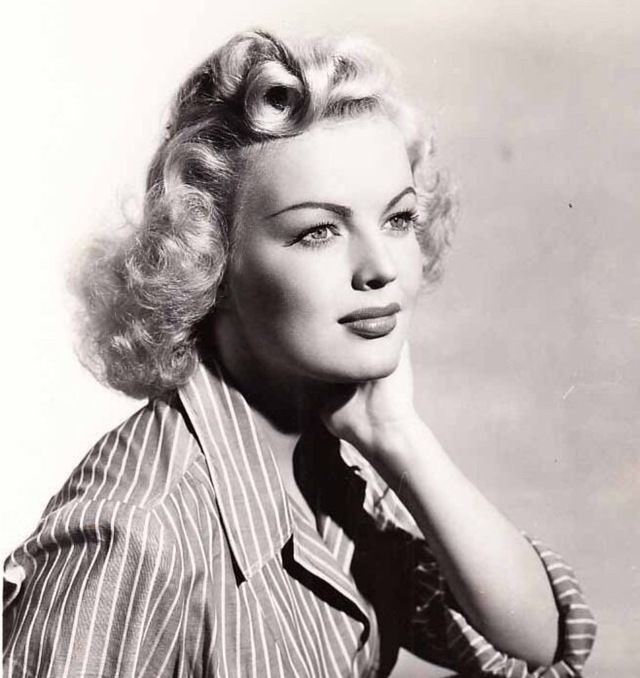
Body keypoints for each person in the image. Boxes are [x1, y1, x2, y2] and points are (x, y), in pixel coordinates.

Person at [2, 28, 596, 677]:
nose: (380, 267)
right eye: (318, 231)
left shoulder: (321, 458)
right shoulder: (136, 531)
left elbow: (537, 649)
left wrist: (398, 434)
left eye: (398, 219)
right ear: (207, 260)